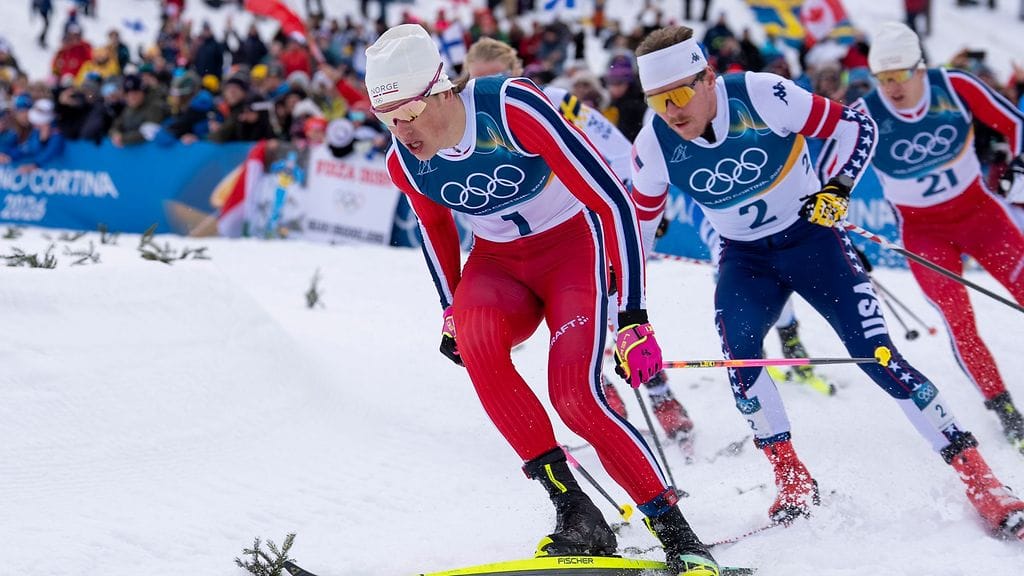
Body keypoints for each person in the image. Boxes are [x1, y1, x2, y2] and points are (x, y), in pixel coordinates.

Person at [630, 24, 1024, 539]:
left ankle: (980, 476)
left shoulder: (761, 94)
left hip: (813, 241)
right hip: (745, 260)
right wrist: (629, 318)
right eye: (658, 100)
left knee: (878, 356)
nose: (672, 110)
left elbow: (856, 129)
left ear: (708, 77)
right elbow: (636, 233)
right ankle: (791, 479)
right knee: (741, 358)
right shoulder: (654, 141)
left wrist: (836, 187)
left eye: (680, 93)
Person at [367, 24, 718, 576]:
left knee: (575, 395)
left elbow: (613, 205)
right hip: (498, 263)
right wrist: (450, 311)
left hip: (570, 253)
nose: (400, 130)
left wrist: (633, 318)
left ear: (439, 90)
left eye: (408, 113)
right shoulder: (404, 160)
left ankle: (679, 536)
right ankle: (576, 512)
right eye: (386, 118)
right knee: (478, 343)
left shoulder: (513, 107)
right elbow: (435, 232)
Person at [463, 37, 696, 445]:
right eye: (476, 81)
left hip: (585, 225)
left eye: (496, 78)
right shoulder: (462, 121)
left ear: (517, 71)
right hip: (531, 245)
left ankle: (661, 401)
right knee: (568, 325)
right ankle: (606, 402)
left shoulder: (551, 101)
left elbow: (621, 156)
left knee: (615, 315)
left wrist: (633, 209)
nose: (485, 90)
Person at [852, 22, 1024, 451]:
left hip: (982, 217)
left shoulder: (956, 85)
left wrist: (1020, 165)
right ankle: (1003, 409)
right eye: (882, 79)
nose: (891, 88)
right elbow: (825, 173)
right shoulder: (866, 112)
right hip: (924, 234)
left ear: (920, 69)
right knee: (959, 321)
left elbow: (1016, 124)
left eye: (900, 76)